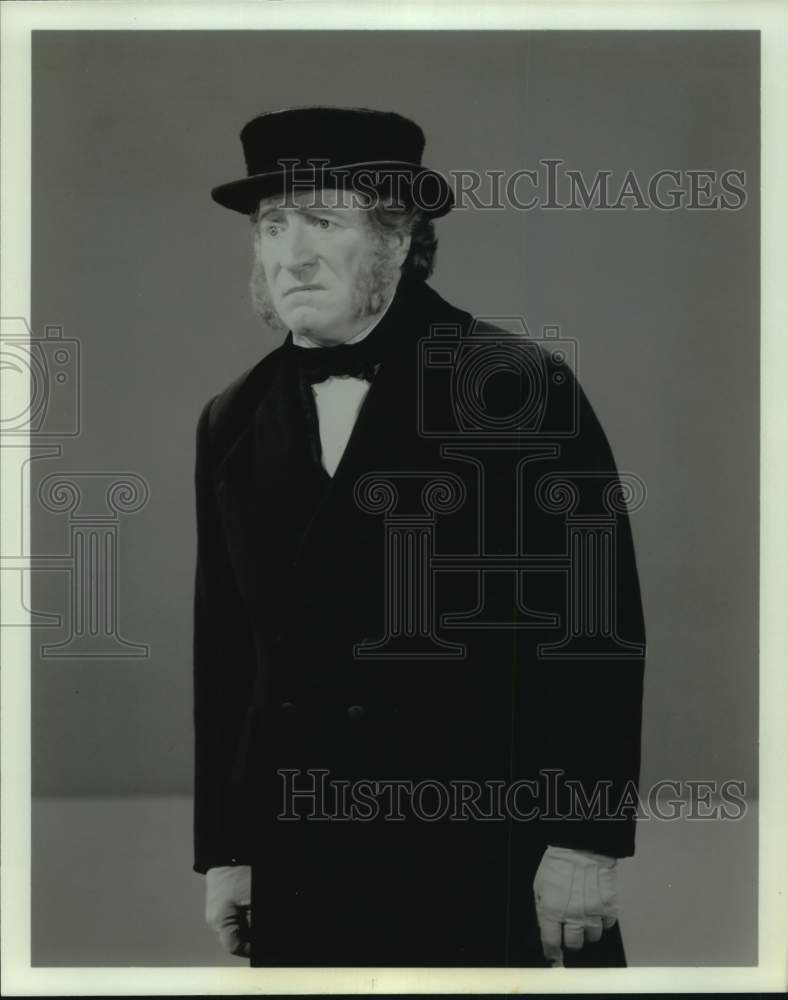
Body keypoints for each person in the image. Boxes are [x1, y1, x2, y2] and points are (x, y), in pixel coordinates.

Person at [193, 106, 646, 968]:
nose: (292, 255)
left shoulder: (515, 385)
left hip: (487, 855)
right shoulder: (233, 417)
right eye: (273, 226)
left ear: (398, 240)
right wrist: (229, 848)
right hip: (303, 857)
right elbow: (228, 655)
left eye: (323, 222)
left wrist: (585, 840)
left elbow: (595, 629)